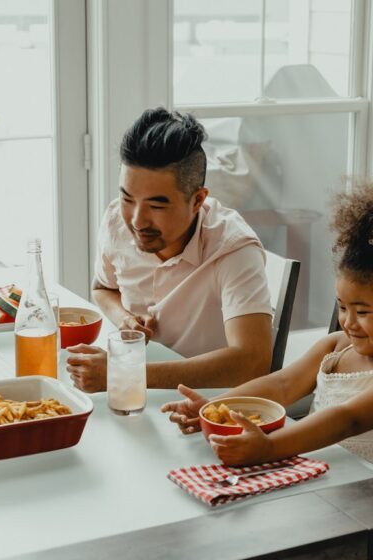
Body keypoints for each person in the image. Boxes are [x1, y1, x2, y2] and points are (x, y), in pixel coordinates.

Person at [161, 181, 373, 466]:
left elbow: (348, 418)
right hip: (313, 473)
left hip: (358, 494)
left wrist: (269, 447)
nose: (347, 322)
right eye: (343, 307)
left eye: (363, 312)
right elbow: (282, 385)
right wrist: (215, 407)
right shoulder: (335, 349)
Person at [67, 107, 273, 392]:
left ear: (198, 200)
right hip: (135, 396)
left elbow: (253, 361)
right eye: (127, 198)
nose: (137, 220)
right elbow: (102, 289)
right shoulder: (117, 220)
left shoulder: (233, 249)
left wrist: (126, 374)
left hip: (209, 403)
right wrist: (124, 318)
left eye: (157, 205)